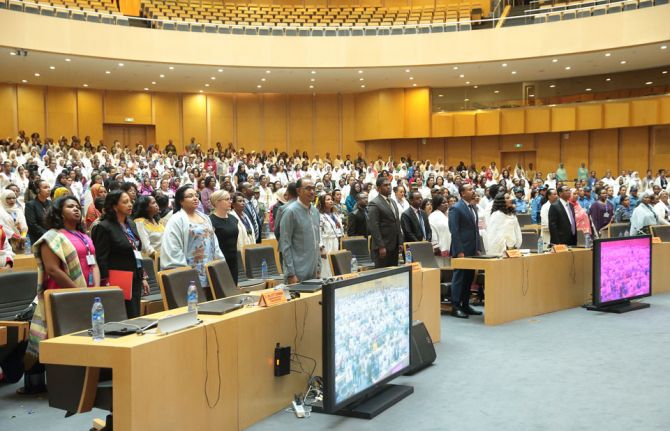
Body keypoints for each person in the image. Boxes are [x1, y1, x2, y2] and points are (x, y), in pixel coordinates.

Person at [92, 190, 150, 318]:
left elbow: (136, 251)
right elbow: (101, 258)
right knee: (123, 316)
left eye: (130, 201)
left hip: (135, 277)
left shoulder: (131, 223)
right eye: (125, 202)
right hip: (117, 279)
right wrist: (106, 282)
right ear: (114, 206)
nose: (130, 204)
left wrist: (143, 276)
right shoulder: (104, 227)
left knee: (135, 315)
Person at [160, 185, 224, 289]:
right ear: (181, 201)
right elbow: (173, 248)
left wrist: (219, 262)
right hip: (190, 271)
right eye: (190, 196)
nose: (195, 198)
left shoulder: (205, 217)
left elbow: (214, 243)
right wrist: (183, 271)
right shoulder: (176, 220)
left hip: (209, 269)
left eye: (196, 195)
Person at [448, 183, 482, 319]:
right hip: (461, 250)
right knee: (459, 278)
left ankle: (465, 304)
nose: (473, 191)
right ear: (462, 193)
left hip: (472, 249)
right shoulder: (455, 208)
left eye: (473, 189)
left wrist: (477, 247)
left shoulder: (472, 207)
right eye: (469, 189)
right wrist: (460, 250)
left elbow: (475, 230)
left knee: (468, 278)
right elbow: (454, 231)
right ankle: (455, 307)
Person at [279, 178, 321, 283]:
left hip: (313, 272)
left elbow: (317, 241)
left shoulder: (315, 212)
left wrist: (318, 267)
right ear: (298, 191)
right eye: (308, 188)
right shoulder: (290, 211)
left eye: (313, 188)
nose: (312, 192)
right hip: (297, 273)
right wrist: (291, 273)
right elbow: (285, 244)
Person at [367, 175, 403, 268]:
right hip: (382, 246)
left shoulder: (393, 202)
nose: (388, 187)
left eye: (389, 185)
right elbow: (374, 227)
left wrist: (400, 241)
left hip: (394, 245)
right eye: (385, 185)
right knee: (382, 276)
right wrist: (381, 246)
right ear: (378, 188)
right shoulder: (374, 203)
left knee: (393, 274)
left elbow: (397, 222)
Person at [210, 190, 240, 285]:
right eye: (227, 199)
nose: (230, 201)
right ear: (217, 202)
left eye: (230, 199)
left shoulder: (233, 219)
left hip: (233, 261)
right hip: (219, 262)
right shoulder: (210, 221)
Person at [485, 192, 522, 257]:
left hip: (513, 250)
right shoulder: (496, 214)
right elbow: (492, 234)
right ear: (501, 201)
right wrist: (503, 248)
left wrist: (517, 245)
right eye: (507, 198)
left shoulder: (512, 214)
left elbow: (517, 231)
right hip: (501, 251)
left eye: (510, 197)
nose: (511, 199)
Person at [318, 192, 342, 278]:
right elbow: (318, 231)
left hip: (335, 240)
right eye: (328, 200)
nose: (331, 201)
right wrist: (321, 246)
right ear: (322, 202)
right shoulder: (320, 215)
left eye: (331, 199)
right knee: (326, 265)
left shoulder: (334, 214)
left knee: (335, 263)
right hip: (326, 242)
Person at [25, 179, 51, 244]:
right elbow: (32, 224)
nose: (48, 189)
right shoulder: (30, 205)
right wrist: (47, 234)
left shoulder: (51, 203)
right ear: (38, 190)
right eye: (45, 187)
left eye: (49, 187)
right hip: (37, 238)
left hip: (51, 237)